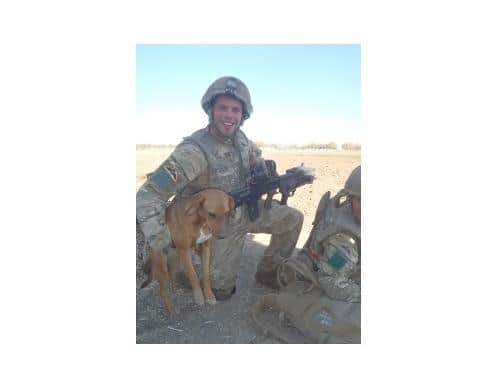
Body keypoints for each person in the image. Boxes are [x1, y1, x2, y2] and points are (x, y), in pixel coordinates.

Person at [136, 76, 304, 300]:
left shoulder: (242, 140)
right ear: (211, 110)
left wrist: (276, 178)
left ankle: (268, 273)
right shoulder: (193, 152)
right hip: (213, 225)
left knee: (293, 218)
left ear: (242, 116)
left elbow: (257, 160)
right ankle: (181, 267)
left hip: (245, 209)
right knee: (220, 290)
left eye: (235, 110)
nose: (229, 115)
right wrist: (164, 241)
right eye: (222, 108)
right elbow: (148, 195)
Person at [294, 165, 361, 302]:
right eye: (360, 201)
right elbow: (331, 283)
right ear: (350, 198)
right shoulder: (345, 243)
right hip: (329, 276)